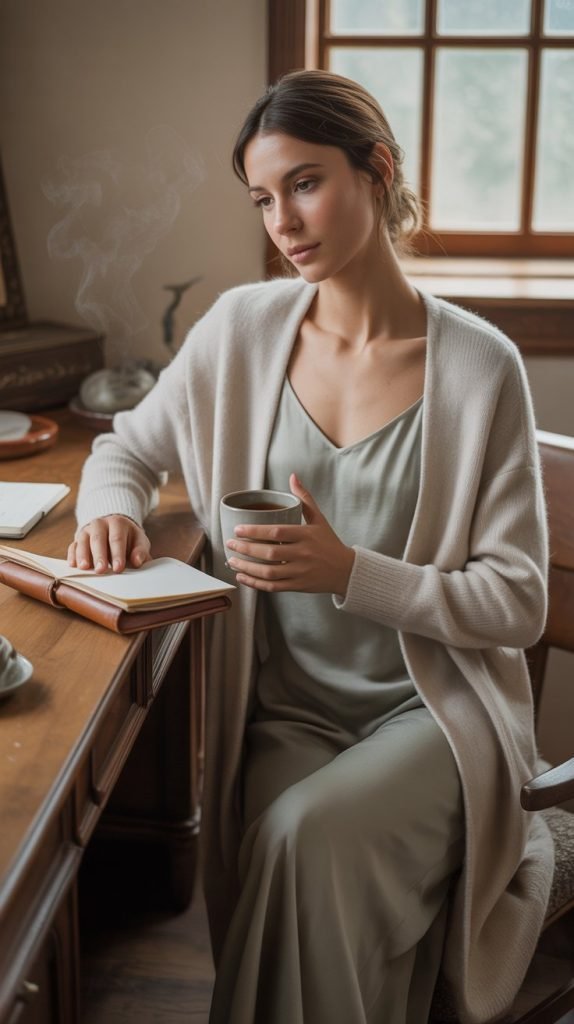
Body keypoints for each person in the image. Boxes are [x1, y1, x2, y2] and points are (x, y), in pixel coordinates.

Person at [70, 70, 554, 1024]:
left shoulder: (477, 366)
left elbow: (519, 602)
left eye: (304, 182)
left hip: (435, 719)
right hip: (285, 717)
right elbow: (125, 447)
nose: (283, 221)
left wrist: (352, 575)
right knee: (286, 855)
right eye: (262, 198)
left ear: (376, 171)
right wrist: (109, 512)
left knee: (301, 841)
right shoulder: (241, 331)